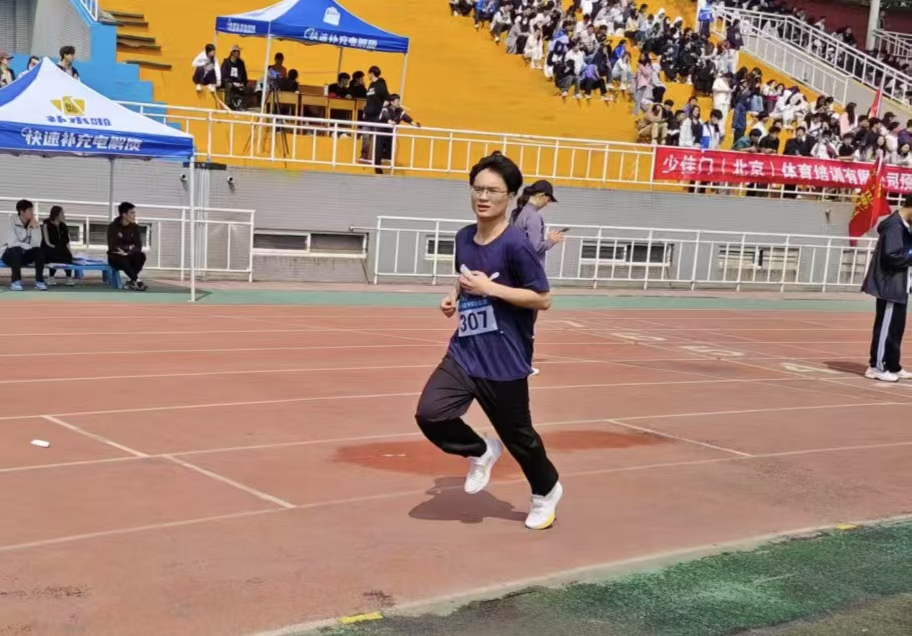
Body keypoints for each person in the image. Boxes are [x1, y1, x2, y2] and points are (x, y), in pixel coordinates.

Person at [414, 152, 562, 531]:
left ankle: (546, 491)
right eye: (477, 189)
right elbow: (465, 276)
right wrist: (454, 296)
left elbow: (542, 298)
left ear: (510, 196)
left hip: (504, 358)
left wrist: (490, 289)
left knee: (520, 439)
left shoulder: (516, 245)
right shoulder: (464, 237)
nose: (483, 197)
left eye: (493, 191)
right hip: (465, 350)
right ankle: (481, 450)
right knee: (431, 413)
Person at [861, 195, 912, 382]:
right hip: (890, 285)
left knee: (896, 329)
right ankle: (877, 366)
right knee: (885, 328)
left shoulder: (905, 226)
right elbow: (891, 255)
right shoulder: (894, 226)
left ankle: (892, 365)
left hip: (900, 286)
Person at [2, 199, 46, 291]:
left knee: (39, 251)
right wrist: (26, 246)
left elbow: (36, 243)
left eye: (32, 210)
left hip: (24, 255)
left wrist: (34, 227)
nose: (32, 212)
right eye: (29, 210)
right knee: (16, 249)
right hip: (9, 255)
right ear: (22, 212)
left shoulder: (34, 223)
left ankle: (39, 281)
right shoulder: (12, 222)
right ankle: (16, 281)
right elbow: (12, 243)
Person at [107, 202, 147, 291]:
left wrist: (128, 252)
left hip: (129, 255)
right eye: (132, 213)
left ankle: (131, 281)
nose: (134, 215)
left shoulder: (135, 227)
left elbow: (138, 245)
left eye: (134, 213)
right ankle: (137, 281)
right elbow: (113, 246)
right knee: (122, 258)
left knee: (141, 256)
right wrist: (128, 248)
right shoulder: (113, 227)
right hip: (115, 258)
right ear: (124, 215)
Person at [359, 66, 390, 163]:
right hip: (368, 115)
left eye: (368, 73)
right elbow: (368, 100)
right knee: (365, 135)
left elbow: (387, 99)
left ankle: (376, 158)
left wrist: (381, 111)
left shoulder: (381, 84)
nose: (368, 75)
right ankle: (364, 156)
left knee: (376, 138)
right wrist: (365, 111)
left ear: (371, 73)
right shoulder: (371, 85)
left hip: (376, 116)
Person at [41, 206, 74, 286]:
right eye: (62, 213)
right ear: (56, 215)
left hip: (61, 248)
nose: (63, 215)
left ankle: (69, 277)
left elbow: (67, 241)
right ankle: (51, 277)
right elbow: (47, 242)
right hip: (50, 247)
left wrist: (70, 251)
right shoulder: (46, 225)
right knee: (54, 254)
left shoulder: (63, 226)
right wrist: (56, 248)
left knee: (68, 255)